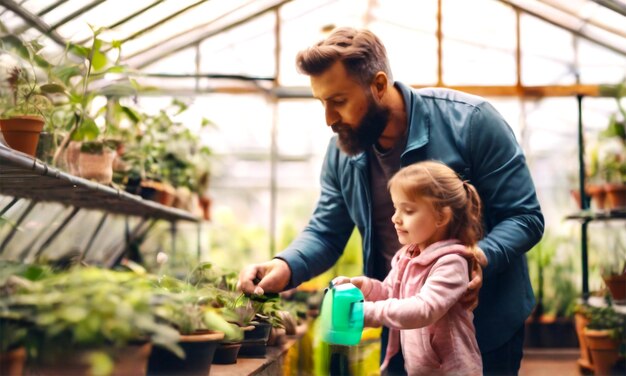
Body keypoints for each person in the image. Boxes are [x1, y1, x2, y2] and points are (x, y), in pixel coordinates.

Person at [238, 27, 544, 375]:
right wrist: (285, 265)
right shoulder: (342, 152)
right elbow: (326, 231)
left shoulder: (471, 123)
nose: (329, 119)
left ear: (379, 86)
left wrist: (479, 258)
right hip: (402, 331)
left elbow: (525, 217)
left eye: (338, 101)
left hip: (481, 329)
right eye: (322, 103)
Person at [333, 161, 483, 375]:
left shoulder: (451, 262)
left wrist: (365, 313)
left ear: (442, 216)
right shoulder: (406, 257)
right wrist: (362, 288)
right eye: (396, 208)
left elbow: (423, 309)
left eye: (408, 210)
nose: (395, 218)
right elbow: (389, 293)